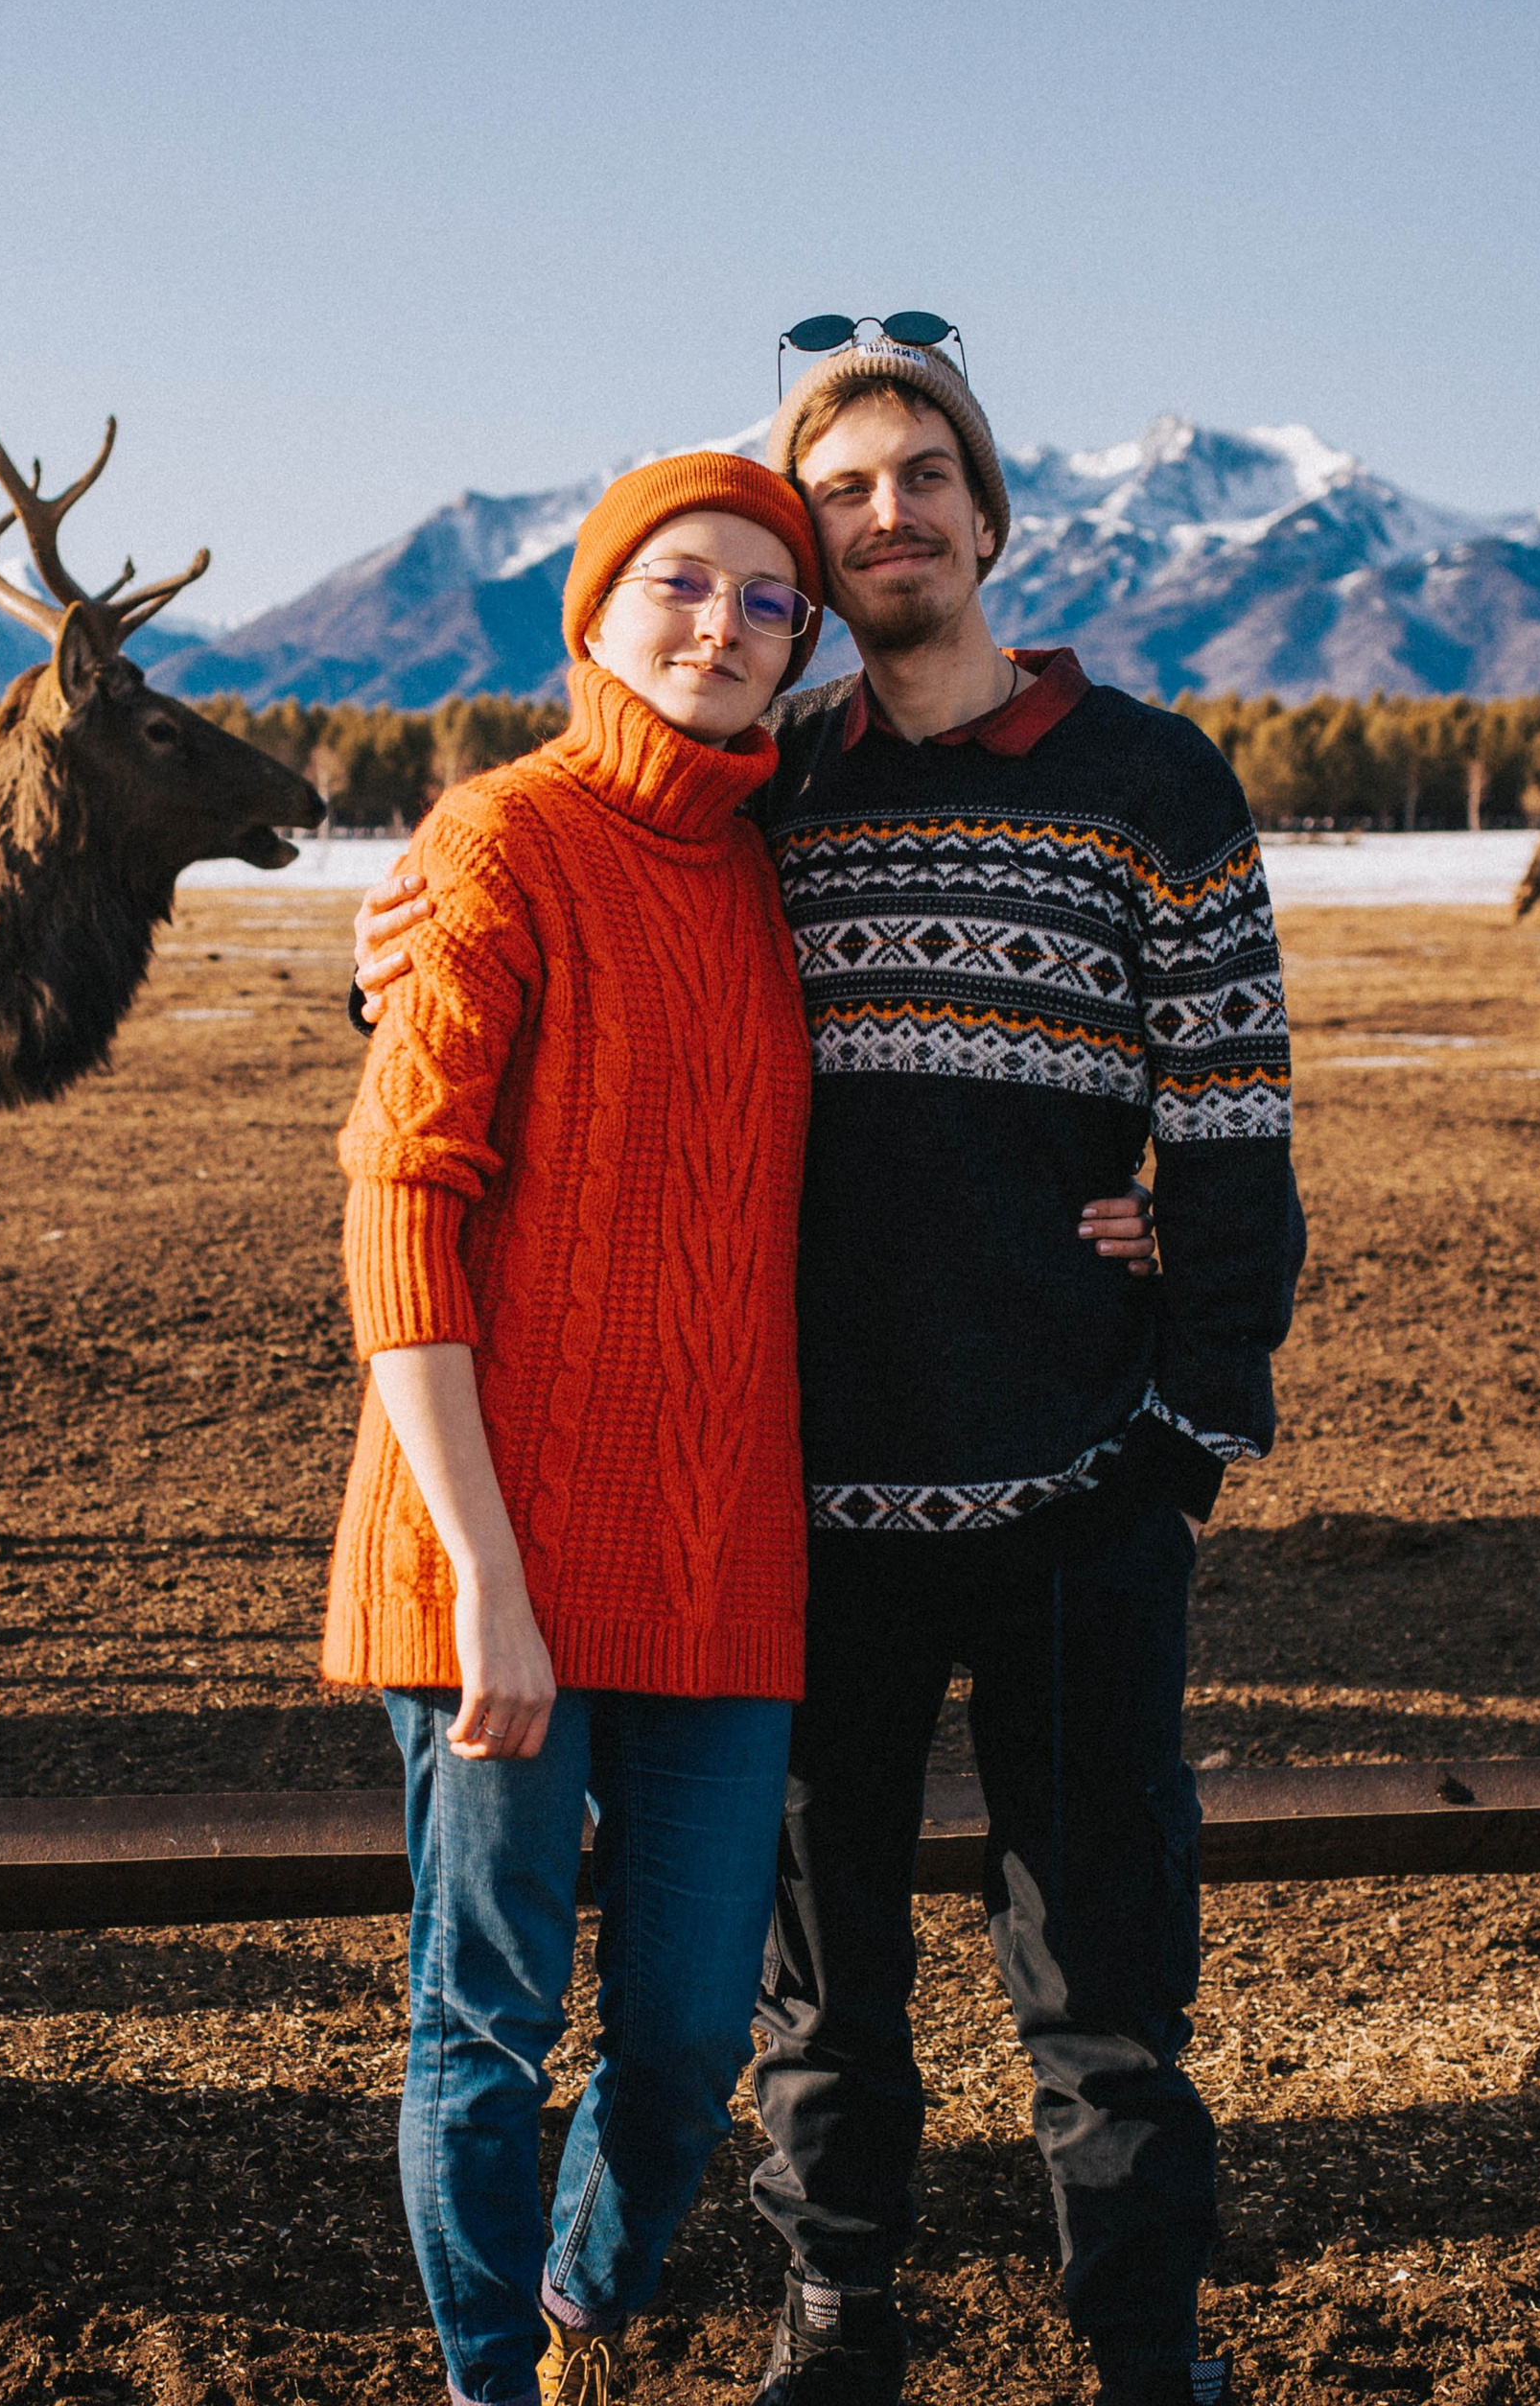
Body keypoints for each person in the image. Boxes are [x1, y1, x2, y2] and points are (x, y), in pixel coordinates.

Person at [355, 325, 1304, 2406]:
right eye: (840, 495)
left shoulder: (1148, 780)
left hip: (1074, 1488)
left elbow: (1231, 1113)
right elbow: (546, 909)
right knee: (814, 1985)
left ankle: (1145, 2346)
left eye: (918, 479)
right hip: (798, 1512)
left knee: (1101, 1975)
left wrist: (1181, 1408)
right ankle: (830, 2320)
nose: (884, 520)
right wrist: (399, 929)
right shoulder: (774, 788)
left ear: (984, 510)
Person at [328, 450, 826, 2406]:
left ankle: (569, 2315)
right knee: (487, 2018)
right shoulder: (497, 841)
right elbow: (398, 1201)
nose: (718, 625)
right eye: (676, 585)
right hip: (495, 1554)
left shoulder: (779, 862)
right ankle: (480, 2381)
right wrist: (483, 1577)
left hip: (718, 1562)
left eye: (763, 598)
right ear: (593, 617)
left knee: (698, 2024)